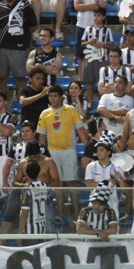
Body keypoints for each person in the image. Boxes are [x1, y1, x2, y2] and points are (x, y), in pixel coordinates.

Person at [38, 85, 89, 220]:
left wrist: (88, 150)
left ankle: (78, 214)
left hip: (69, 151)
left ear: (61, 97)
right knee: (58, 184)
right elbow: (42, 137)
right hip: (52, 153)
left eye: (55, 96)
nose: (52, 99)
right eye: (50, 96)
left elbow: (80, 130)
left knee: (71, 182)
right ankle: (60, 214)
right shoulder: (44, 113)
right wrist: (44, 157)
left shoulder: (71, 110)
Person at [2, 139, 55, 236]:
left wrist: (44, 188)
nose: (33, 160)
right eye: (30, 158)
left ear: (40, 152)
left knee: (49, 218)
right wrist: (24, 186)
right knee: (10, 210)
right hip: (26, 193)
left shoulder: (48, 162)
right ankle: (2, 242)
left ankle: (51, 245)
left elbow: (56, 181)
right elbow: (16, 182)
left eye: (35, 157)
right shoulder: (23, 163)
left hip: (43, 194)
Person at [0, 0, 39, 95]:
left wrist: (21, 34)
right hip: (2, 46)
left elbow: (33, 26)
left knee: (20, 77)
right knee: (2, 77)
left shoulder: (24, 6)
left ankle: (21, 104)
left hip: (19, 48)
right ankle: (1, 104)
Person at [73, 0, 107, 84]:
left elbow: (101, 8)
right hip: (82, 25)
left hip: (96, 27)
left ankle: (97, 80)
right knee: (80, 55)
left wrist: (85, 5)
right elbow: (77, 7)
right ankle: (80, 80)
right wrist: (94, 5)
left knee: (97, 54)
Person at [84, 141, 126, 220]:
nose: (98, 152)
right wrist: (106, 182)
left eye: (101, 150)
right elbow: (88, 185)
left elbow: (124, 190)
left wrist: (120, 178)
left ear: (108, 152)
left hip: (111, 202)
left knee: (113, 228)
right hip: (94, 202)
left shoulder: (116, 168)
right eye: (97, 150)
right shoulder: (91, 166)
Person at [81, 6, 114, 101]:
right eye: (94, 15)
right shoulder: (88, 29)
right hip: (90, 58)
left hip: (103, 60)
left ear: (103, 17)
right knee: (89, 81)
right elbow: (82, 44)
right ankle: (90, 101)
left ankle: (103, 102)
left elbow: (111, 44)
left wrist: (103, 45)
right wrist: (89, 42)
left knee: (103, 82)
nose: (96, 18)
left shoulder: (107, 30)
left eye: (98, 16)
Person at [18, 160, 50, 246]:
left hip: (30, 232)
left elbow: (24, 213)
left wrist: (19, 235)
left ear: (26, 173)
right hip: (42, 229)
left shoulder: (27, 189)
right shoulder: (45, 186)